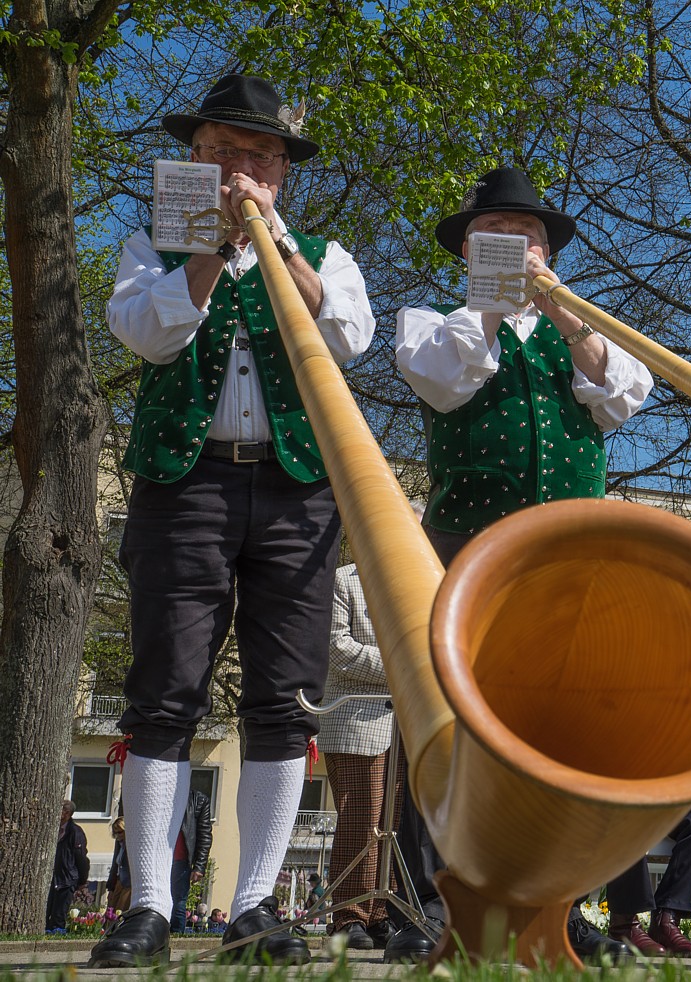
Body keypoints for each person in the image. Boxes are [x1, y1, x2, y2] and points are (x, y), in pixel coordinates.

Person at [89, 73, 374, 969]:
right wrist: (209, 250)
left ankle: (254, 905)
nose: (241, 170)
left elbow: (347, 338)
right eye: (220, 153)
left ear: (283, 174)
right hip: (186, 484)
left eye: (260, 156)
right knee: (164, 690)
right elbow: (146, 335)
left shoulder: (323, 257)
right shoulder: (149, 245)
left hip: (296, 493)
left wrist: (271, 242)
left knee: (285, 697)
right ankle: (148, 907)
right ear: (192, 161)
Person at [393, 166, 654, 963]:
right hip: (464, 547)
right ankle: (422, 908)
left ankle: (557, 909)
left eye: (529, 237)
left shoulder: (587, 330)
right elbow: (444, 383)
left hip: (568, 556)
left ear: (551, 252)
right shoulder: (431, 322)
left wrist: (567, 316)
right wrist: (491, 303)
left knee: (560, 726)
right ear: (467, 253)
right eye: (496, 236)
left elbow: (622, 395)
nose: (517, 247)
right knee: (446, 728)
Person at [319, 555, 404, 951]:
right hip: (356, 723)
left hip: (406, 729)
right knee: (363, 820)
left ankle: (379, 915)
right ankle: (348, 917)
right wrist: (403, 664)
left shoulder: (415, 579)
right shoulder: (342, 580)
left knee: (396, 824)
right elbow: (337, 649)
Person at [605, 802, 691, 957]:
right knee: (627, 803)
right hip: (627, 796)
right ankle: (623, 925)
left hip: (665, 798)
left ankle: (665, 921)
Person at [169, 788, 212, 932]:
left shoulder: (198, 799)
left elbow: (205, 834)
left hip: (181, 860)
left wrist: (200, 866)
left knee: (179, 901)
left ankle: (175, 934)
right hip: (160, 858)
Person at [49, 801, 90, 933]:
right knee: (47, 912)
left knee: (59, 915)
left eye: (61, 810)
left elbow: (82, 859)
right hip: (52, 877)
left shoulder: (75, 832)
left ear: (67, 813)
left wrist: (82, 881)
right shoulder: (51, 828)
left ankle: (56, 938)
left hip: (66, 879)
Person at [106, 817, 132, 914]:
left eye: (120, 832)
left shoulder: (131, 846)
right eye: (115, 833)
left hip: (129, 884)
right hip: (119, 881)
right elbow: (114, 865)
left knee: (120, 911)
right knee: (110, 911)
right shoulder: (119, 844)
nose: (117, 836)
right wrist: (110, 887)